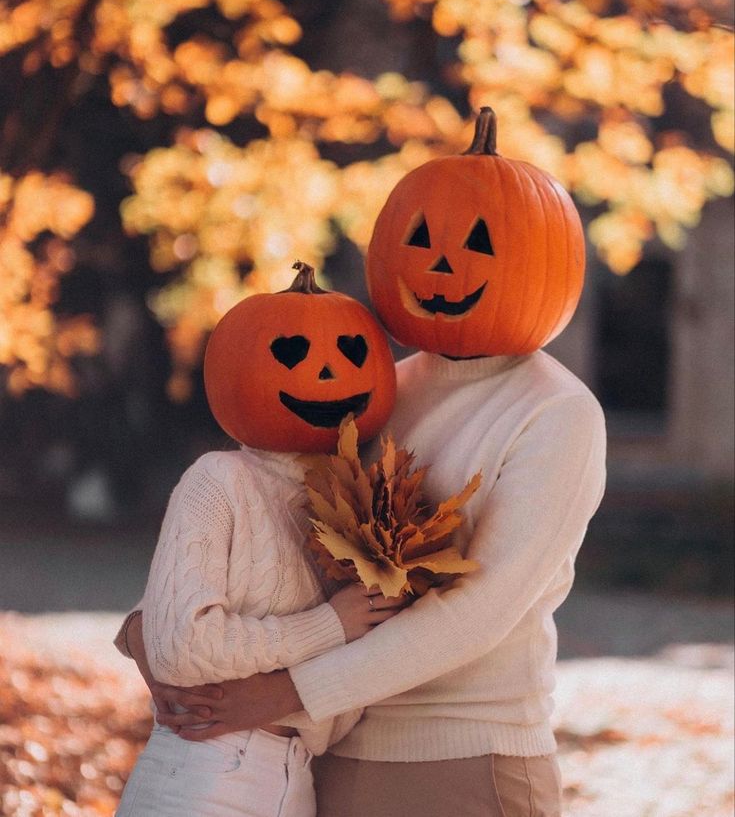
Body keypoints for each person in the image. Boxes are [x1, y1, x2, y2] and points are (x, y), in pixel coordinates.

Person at [123, 110, 607, 816]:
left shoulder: (557, 412)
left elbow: (479, 612)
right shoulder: (368, 390)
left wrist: (284, 692)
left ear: (546, 261)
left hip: (461, 757)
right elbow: (267, 520)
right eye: (419, 239)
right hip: (331, 754)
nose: (443, 265)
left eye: (478, 244)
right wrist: (149, 633)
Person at [114, 263, 405, 817]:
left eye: (349, 353)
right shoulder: (218, 480)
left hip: (300, 781)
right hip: (204, 773)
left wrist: (139, 625)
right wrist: (329, 625)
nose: (325, 374)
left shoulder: (366, 507)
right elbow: (180, 647)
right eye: (293, 353)